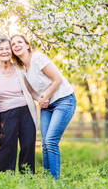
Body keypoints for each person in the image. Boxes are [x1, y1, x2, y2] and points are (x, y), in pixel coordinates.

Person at [10, 34, 76, 179]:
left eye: (19, 42)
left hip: (64, 100)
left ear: (27, 45)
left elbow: (57, 79)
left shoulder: (38, 58)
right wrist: (41, 100)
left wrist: (45, 96)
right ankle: (48, 181)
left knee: (51, 141)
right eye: (13, 44)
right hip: (47, 106)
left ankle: (55, 182)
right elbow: (32, 91)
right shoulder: (21, 69)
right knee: (45, 144)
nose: (16, 45)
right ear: (12, 50)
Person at [0, 36, 38, 173]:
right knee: (7, 148)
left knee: (28, 145)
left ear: (11, 51)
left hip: (26, 111)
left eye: (7, 48)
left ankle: (28, 180)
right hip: (5, 114)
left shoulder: (20, 67)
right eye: (1, 49)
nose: (5, 51)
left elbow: (33, 86)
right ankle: (5, 179)